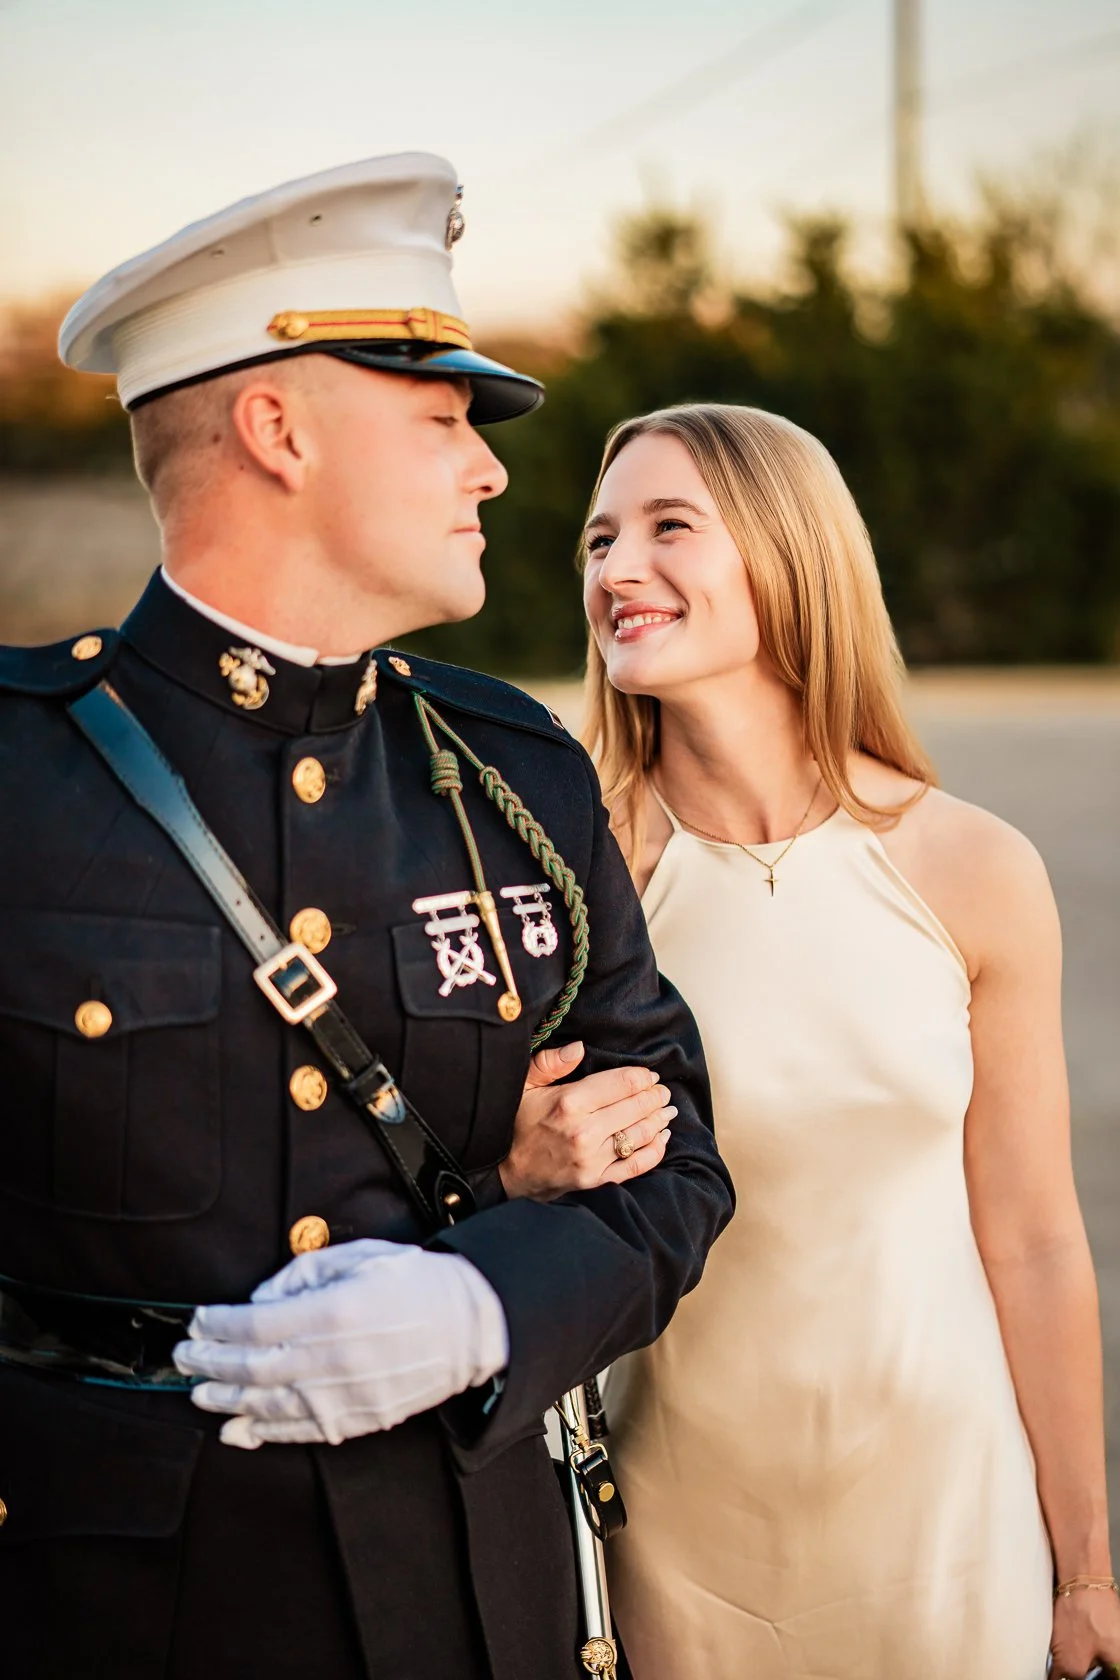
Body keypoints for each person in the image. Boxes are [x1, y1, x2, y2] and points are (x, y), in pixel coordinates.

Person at [0, 157, 733, 1680]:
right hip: (114, 1616)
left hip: (470, 1609)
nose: (492, 472)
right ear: (275, 429)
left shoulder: (507, 770)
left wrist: (485, 1303)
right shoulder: (18, 773)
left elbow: (680, 1163)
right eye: (444, 419)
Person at [501, 403, 1120, 1680]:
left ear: (790, 554)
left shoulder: (973, 868)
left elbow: (1037, 1238)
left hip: (952, 1522)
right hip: (673, 1535)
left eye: (670, 527)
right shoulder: (571, 875)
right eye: (599, 540)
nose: (617, 570)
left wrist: (1086, 1569)